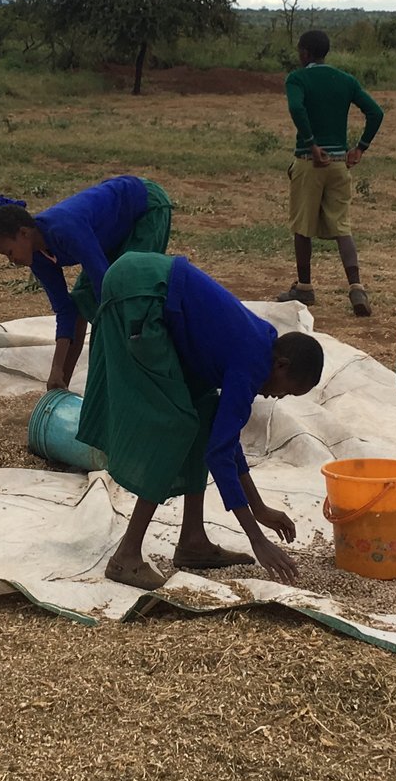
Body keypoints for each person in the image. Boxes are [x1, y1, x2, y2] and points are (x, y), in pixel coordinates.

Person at [78, 252, 323, 589]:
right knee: (175, 425)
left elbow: (224, 439)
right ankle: (126, 557)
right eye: (287, 391)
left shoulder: (261, 346)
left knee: (203, 412)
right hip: (141, 290)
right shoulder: (250, 364)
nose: (277, 398)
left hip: (150, 284)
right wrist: (255, 537)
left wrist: (260, 507)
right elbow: (219, 455)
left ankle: (193, 541)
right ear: (280, 366)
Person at [0, 174, 174, 390]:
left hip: (145, 206)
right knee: (83, 300)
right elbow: (66, 310)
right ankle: (61, 385)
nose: (11, 261)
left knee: (128, 291)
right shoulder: (37, 258)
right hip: (110, 229)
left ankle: (141, 374)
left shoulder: (65, 229)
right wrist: (56, 369)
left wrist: (109, 346)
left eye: (9, 252)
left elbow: (105, 286)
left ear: (24, 233)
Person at [279, 28, 385, 316]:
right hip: (340, 163)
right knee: (342, 227)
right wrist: (360, 148)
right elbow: (376, 112)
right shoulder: (345, 80)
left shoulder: (297, 78)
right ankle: (356, 288)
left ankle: (304, 287)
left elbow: (296, 108)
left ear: (304, 53)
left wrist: (312, 144)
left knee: (302, 226)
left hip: (310, 161)